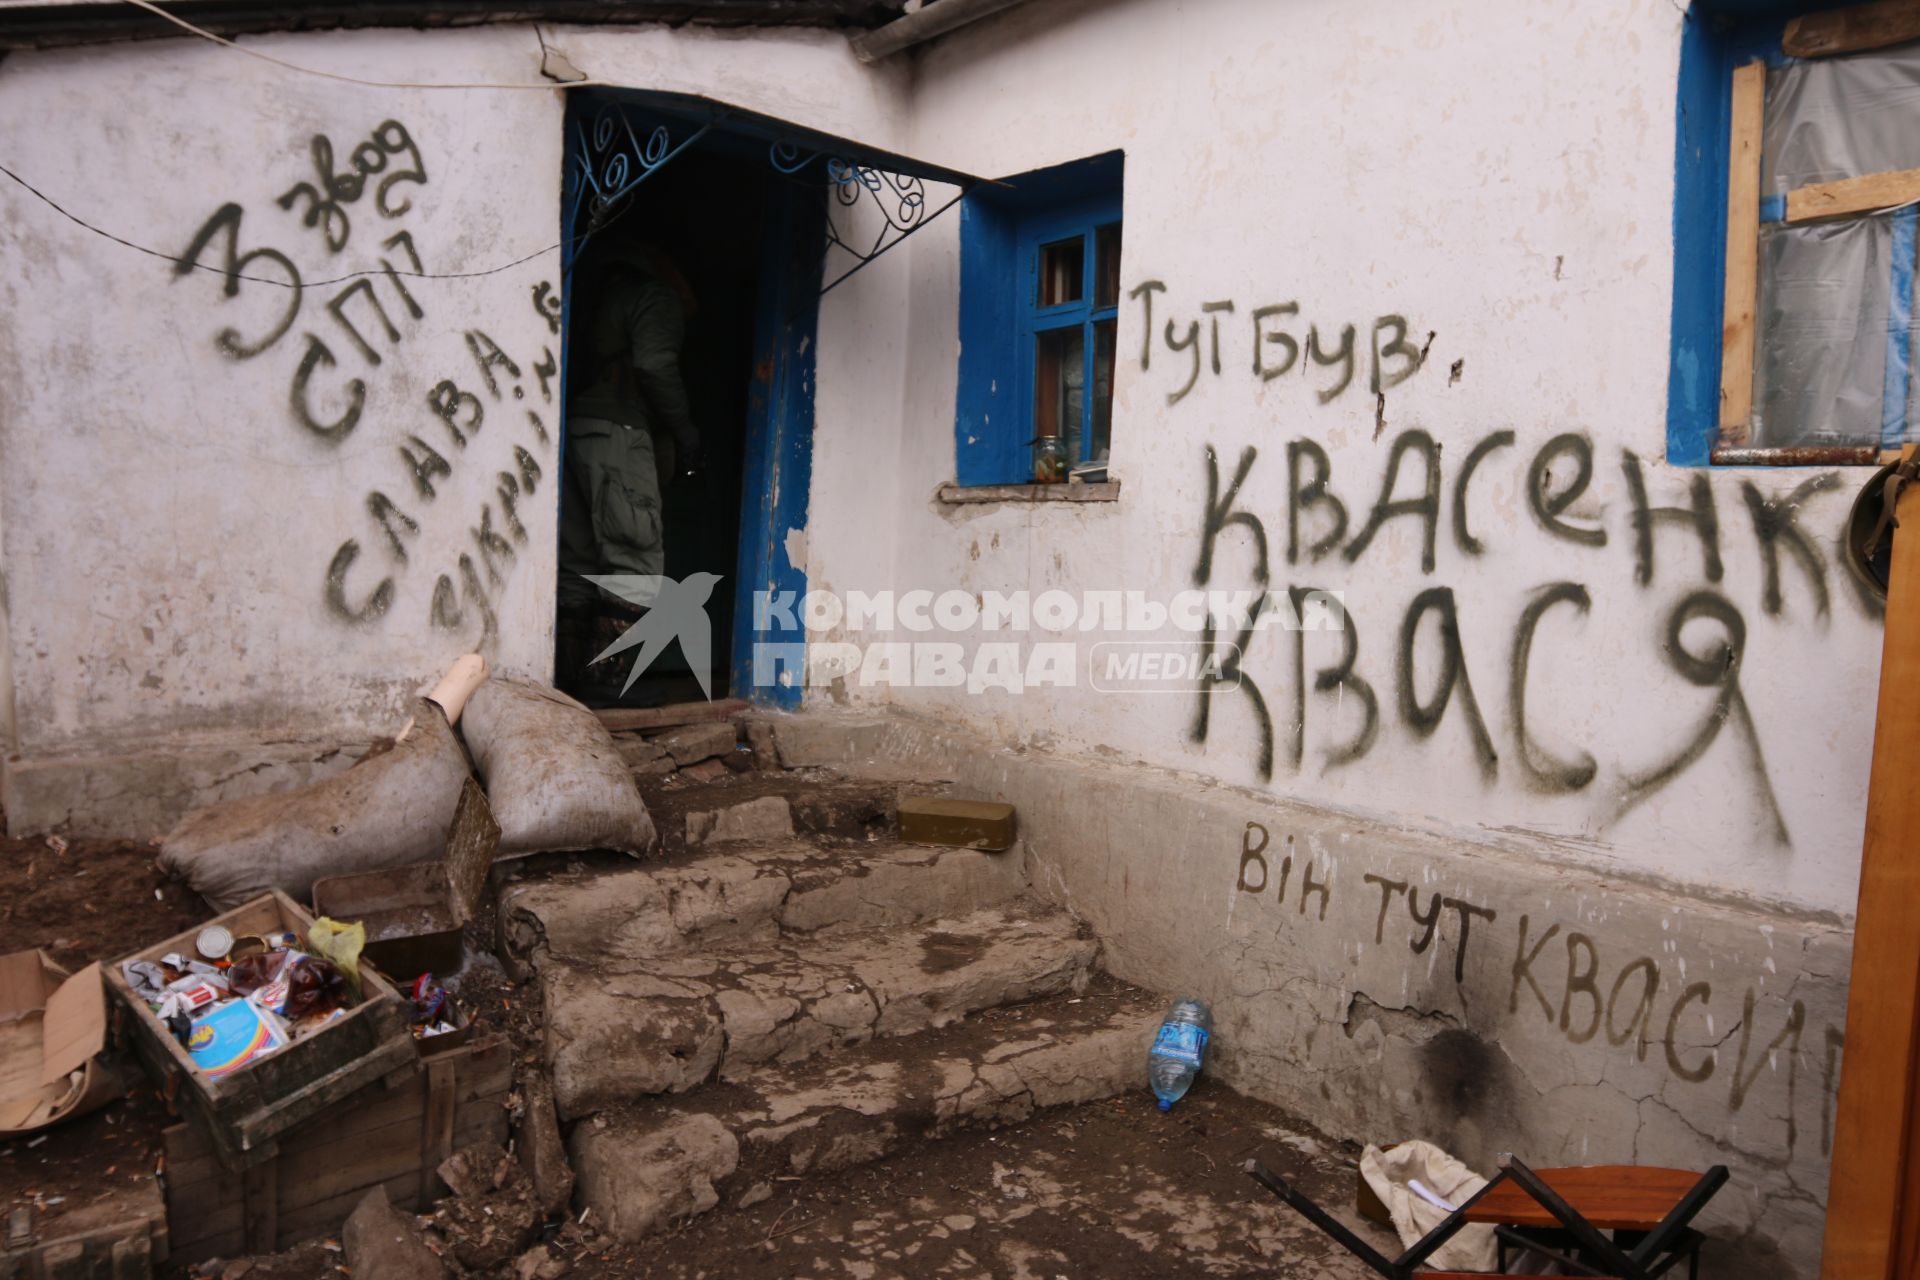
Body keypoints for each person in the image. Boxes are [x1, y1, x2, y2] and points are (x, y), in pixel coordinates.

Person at [557, 242, 701, 696]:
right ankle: (608, 686)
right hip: (621, 430)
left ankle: (567, 684)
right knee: (632, 557)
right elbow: (656, 365)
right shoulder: (654, 296)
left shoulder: (598, 298)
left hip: (578, 429)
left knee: (578, 560)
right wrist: (686, 433)